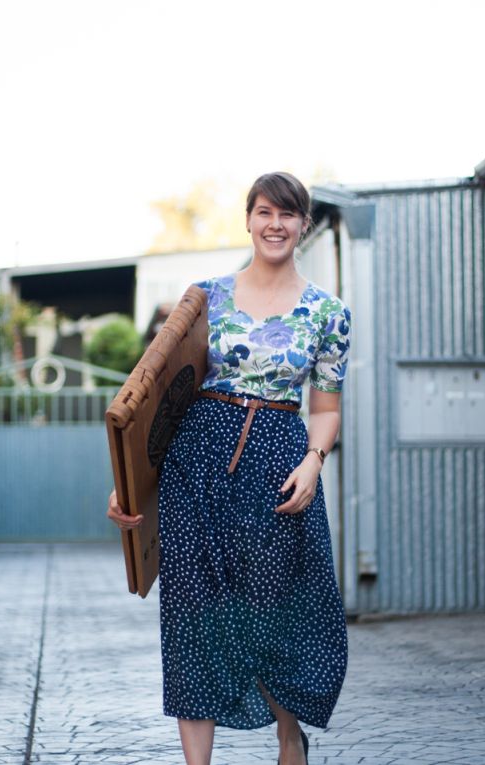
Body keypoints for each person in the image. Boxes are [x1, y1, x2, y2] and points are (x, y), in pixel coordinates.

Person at [107, 171, 351, 765]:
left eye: (288, 214)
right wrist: (125, 482)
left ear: (303, 225)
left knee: (276, 612)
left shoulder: (329, 313)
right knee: (192, 618)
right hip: (197, 464)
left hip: (278, 464)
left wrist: (314, 461)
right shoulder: (203, 299)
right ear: (248, 220)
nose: (275, 224)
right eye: (265, 212)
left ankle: (289, 735)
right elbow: (154, 401)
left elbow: (325, 408)